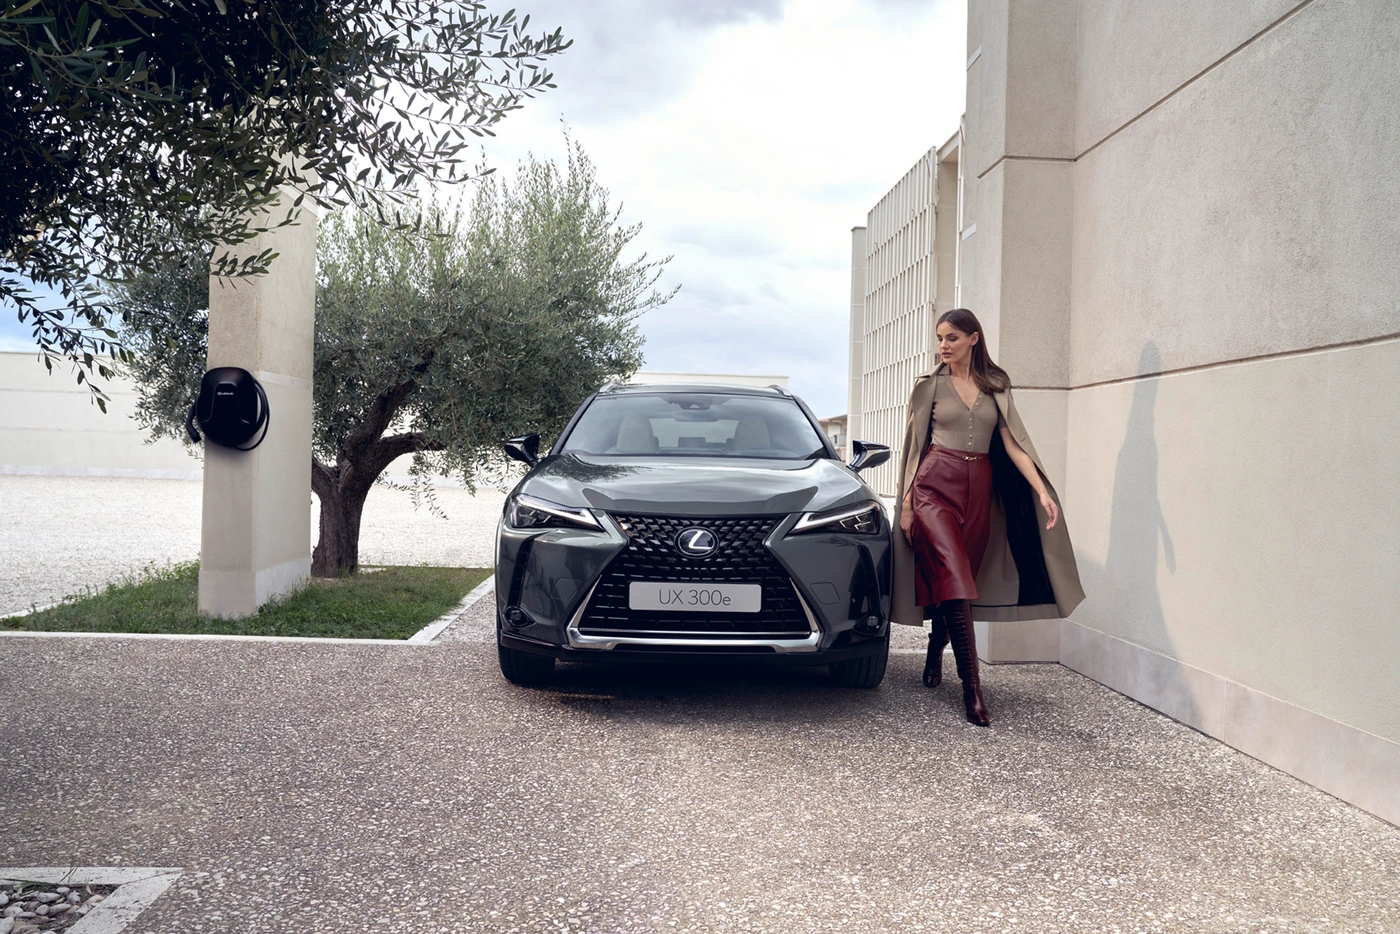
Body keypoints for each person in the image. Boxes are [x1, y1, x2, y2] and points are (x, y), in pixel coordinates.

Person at [892, 309, 1085, 726]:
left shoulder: (996, 385)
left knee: (957, 584)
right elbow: (912, 448)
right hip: (933, 487)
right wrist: (907, 504)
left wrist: (1042, 491)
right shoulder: (929, 387)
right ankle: (972, 691)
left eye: (952, 338)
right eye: (939, 338)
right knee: (955, 579)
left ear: (974, 339)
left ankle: (935, 649)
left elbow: (1013, 444)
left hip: (979, 489)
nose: (943, 346)